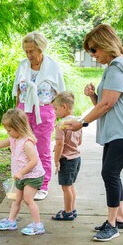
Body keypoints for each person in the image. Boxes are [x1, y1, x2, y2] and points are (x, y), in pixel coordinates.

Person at [63, 24, 123, 242]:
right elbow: (105, 102)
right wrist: (93, 96)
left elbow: (107, 105)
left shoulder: (118, 67)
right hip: (117, 129)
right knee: (111, 173)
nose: (93, 55)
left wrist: (81, 122)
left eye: (94, 50)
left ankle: (112, 225)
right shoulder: (117, 66)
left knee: (109, 173)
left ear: (105, 44)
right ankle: (120, 219)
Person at [0, 108, 46, 236]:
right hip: (20, 176)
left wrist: (21, 172)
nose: (8, 133)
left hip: (32, 175)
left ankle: (38, 225)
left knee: (28, 199)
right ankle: (11, 221)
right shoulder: (13, 139)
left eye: (10, 130)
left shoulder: (27, 143)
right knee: (15, 199)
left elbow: (34, 161)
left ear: (19, 127)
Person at [12, 31, 66, 201]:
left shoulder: (52, 67)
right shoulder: (22, 66)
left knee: (42, 149)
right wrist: (16, 113)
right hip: (23, 110)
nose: (29, 55)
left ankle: (42, 185)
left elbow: (61, 93)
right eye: (26, 51)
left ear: (41, 49)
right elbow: (18, 91)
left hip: (44, 111)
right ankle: (24, 182)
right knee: (21, 148)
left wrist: (61, 117)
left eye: (32, 51)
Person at [50, 91, 82, 221]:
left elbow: (59, 144)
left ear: (64, 107)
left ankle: (67, 212)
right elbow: (79, 141)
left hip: (67, 159)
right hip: (76, 158)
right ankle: (72, 209)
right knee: (71, 186)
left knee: (66, 188)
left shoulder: (61, 124)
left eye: (55, 109)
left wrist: (56, 160)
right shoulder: (78, 122)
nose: (55, 112)